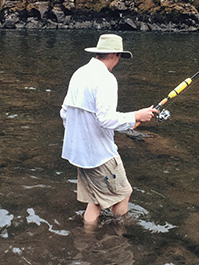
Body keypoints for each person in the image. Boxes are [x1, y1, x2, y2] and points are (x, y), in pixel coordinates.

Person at [60, 33, 158, 227]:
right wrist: (136, 116)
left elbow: (65, 112)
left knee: (96, 201)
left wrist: (79, 136)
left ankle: (86, 240)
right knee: (123, 194)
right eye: (120, 55)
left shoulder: (80, 73)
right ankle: (117, 238)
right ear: (115, 54)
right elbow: (106, 119)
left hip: (78, 153)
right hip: (99, 155)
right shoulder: (106, 79)